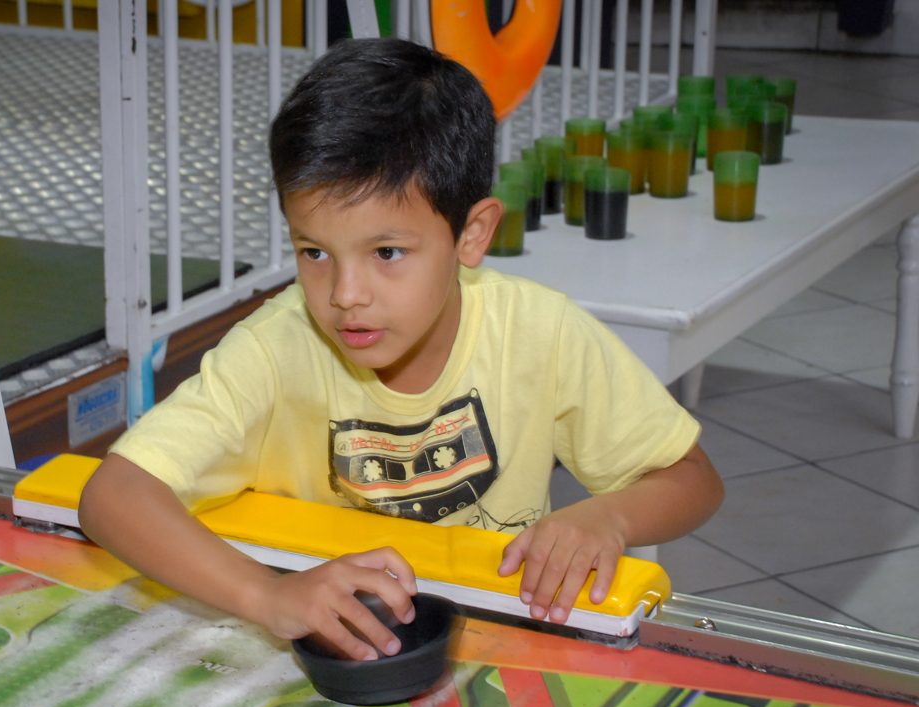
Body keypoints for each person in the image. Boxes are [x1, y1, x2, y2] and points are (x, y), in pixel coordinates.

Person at [79, 37, 724, 662]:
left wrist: (607, 519)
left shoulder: (540, 332)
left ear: (472, 234)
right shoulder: (277, 348)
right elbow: (114, 496)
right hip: (328, 654)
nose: (345, 296)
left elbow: (692, 478)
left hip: (502, 641)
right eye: (315, 253)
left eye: (387, 253)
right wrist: (268, 592)